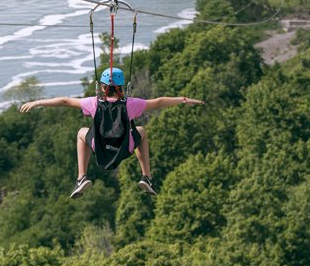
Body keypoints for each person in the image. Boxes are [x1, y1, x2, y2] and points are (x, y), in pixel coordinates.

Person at [19, 67, 203, 198]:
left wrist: (38, 102)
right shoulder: (131, 104)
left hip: (100, 149)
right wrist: (183, 99)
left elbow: (66, 101)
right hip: (123, 148)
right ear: (122, 88)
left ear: (101, 87)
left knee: (81, 132)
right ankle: (147, 176)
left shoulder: (93, 103)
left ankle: (81, 177)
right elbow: (160, 101)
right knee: (141, 131)